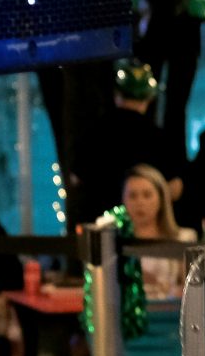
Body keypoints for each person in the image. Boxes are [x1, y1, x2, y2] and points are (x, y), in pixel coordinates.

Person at [71, 59, 181, 224]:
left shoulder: (94, 132)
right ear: (149, 97)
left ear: (117, 94)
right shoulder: (160, 138)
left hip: (100, 228)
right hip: (145, 233)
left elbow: (75, 178)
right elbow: (175, 189)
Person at [122, 164, 195, 299]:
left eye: (147, 195)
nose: (140, 202)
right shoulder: (115, 243)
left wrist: (162, 288)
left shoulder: (183, 239)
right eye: (132, 196)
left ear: (161, 199)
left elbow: (192, 293)